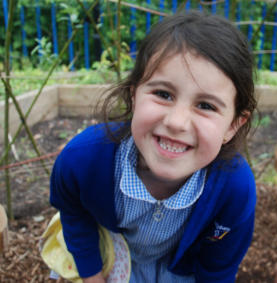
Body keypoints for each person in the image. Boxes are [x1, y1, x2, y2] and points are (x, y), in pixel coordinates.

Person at [49, 10, 257, 283]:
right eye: (163, 94)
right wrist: (93, 276)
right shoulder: (83, 160)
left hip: (181, 268)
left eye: (205, 105)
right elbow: (75, 216)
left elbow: (218, 267)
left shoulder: (234, 189)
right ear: (135, 95)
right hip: (116, 255)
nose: (177, 122)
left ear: (233, 125)